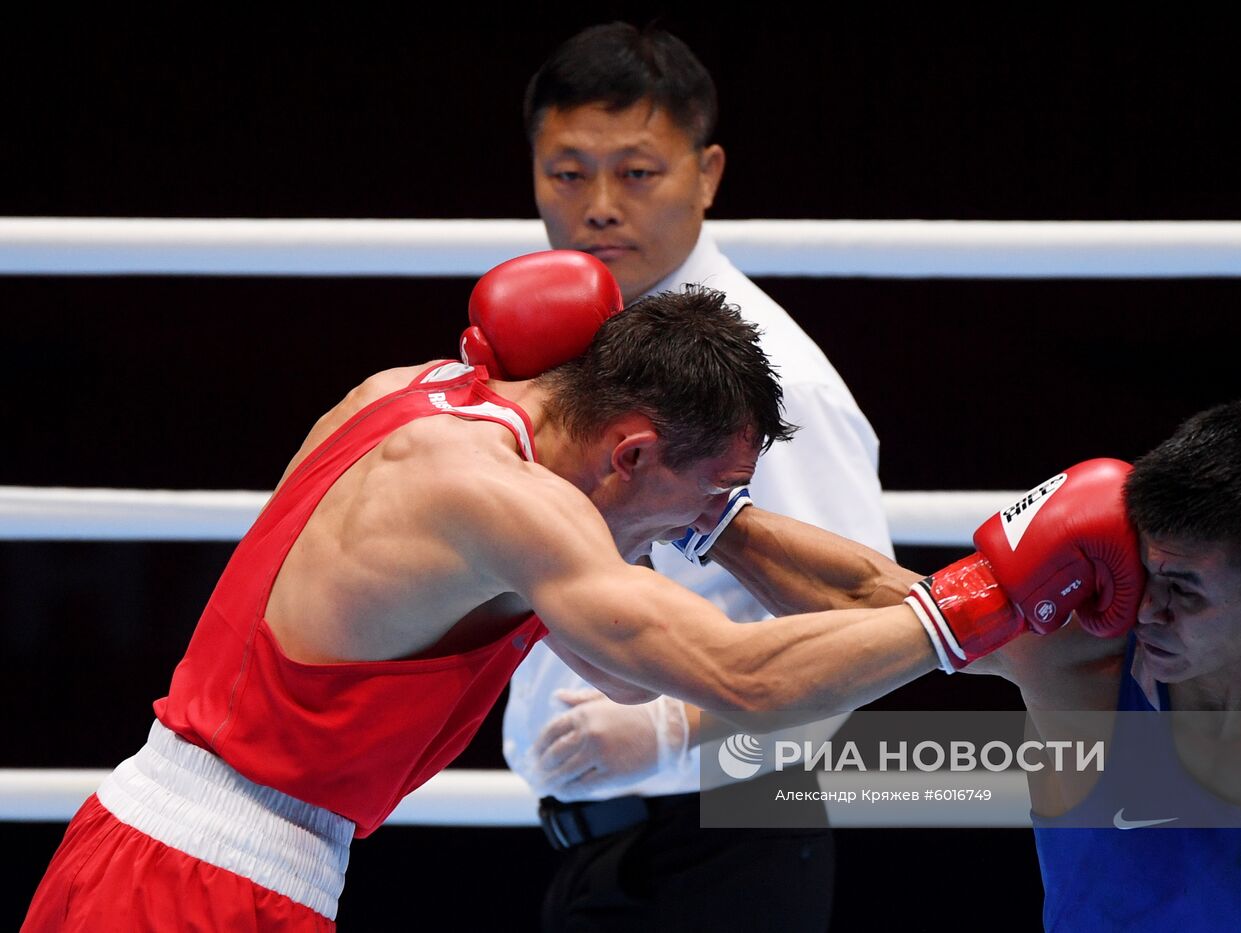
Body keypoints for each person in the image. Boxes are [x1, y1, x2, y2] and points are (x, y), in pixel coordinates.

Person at [21, 250, 1140, 930]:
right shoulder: (514, 508)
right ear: (634, 451)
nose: (700, 533)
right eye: (704, 498)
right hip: (204, 887)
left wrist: (960, 598)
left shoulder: (411, 395)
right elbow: (734, 674)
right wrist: (974, 613)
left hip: (140, 845)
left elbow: (683, 604)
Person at [699, 400, 1241, 931]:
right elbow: (868, 596)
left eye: (1185, 590)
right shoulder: (1085, 659)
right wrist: (702, 512)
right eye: (1147, 571)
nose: (1148, 608)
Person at [503, 21, 893, 932]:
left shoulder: (770, 378)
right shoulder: (574, 352)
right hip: (602, 847)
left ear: (707, 174)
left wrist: (671, 730)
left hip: (727, 842)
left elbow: (866, 641)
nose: (599, 204)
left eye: (638, 173)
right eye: (568, 172)